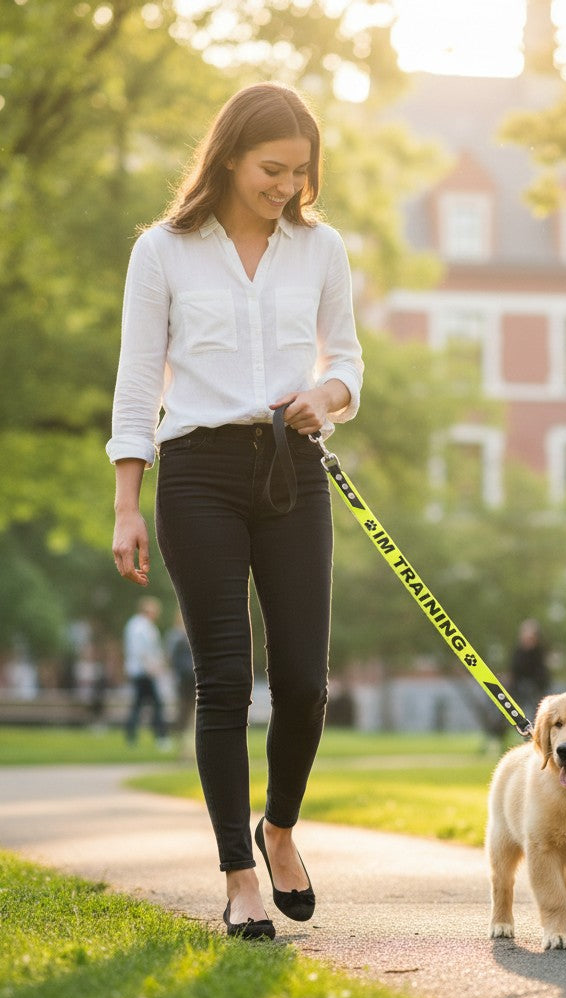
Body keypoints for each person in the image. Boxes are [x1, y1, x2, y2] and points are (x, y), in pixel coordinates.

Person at [107, 82, 363, 942]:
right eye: (271, 169)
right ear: (227, 158)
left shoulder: (321, 248)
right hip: (197, 474)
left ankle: (279, 828)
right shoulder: (163, 252)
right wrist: (126, 504)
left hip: (293, 469)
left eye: (300, 171)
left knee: (304, 681)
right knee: (223, 681)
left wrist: (327, 394)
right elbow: (137, 382)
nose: (287, 186)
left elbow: (348, 361)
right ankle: (238, 875)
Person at [122, 596, 169, 747]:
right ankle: (160, 736)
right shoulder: (139, 627)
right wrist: (152, 667)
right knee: (156, 705)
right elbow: (140, 651)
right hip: (144, 672)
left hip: (144, 671)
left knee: (140, 705)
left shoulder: (142, 626)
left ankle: (132, 736)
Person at [509, 618, 551, 719]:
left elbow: (541, 674)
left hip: (535, 687)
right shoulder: (518, 652)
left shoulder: (539, 652)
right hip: (518, 686)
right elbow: (514, 669)